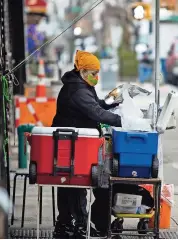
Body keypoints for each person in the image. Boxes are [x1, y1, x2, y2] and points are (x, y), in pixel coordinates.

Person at [51, 50, 122, 239]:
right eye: (93, 73)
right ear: (81, 71)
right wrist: (122, 120)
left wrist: (110, 103)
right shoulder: (77, 90)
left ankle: (66, 224)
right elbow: (95, 113)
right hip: (72, 145)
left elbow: (96, 104)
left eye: (97, 72)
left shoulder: (81, 85)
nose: (96, 77)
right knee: (76, 183)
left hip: (75, 143)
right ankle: (79, 225)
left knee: (70, 184)